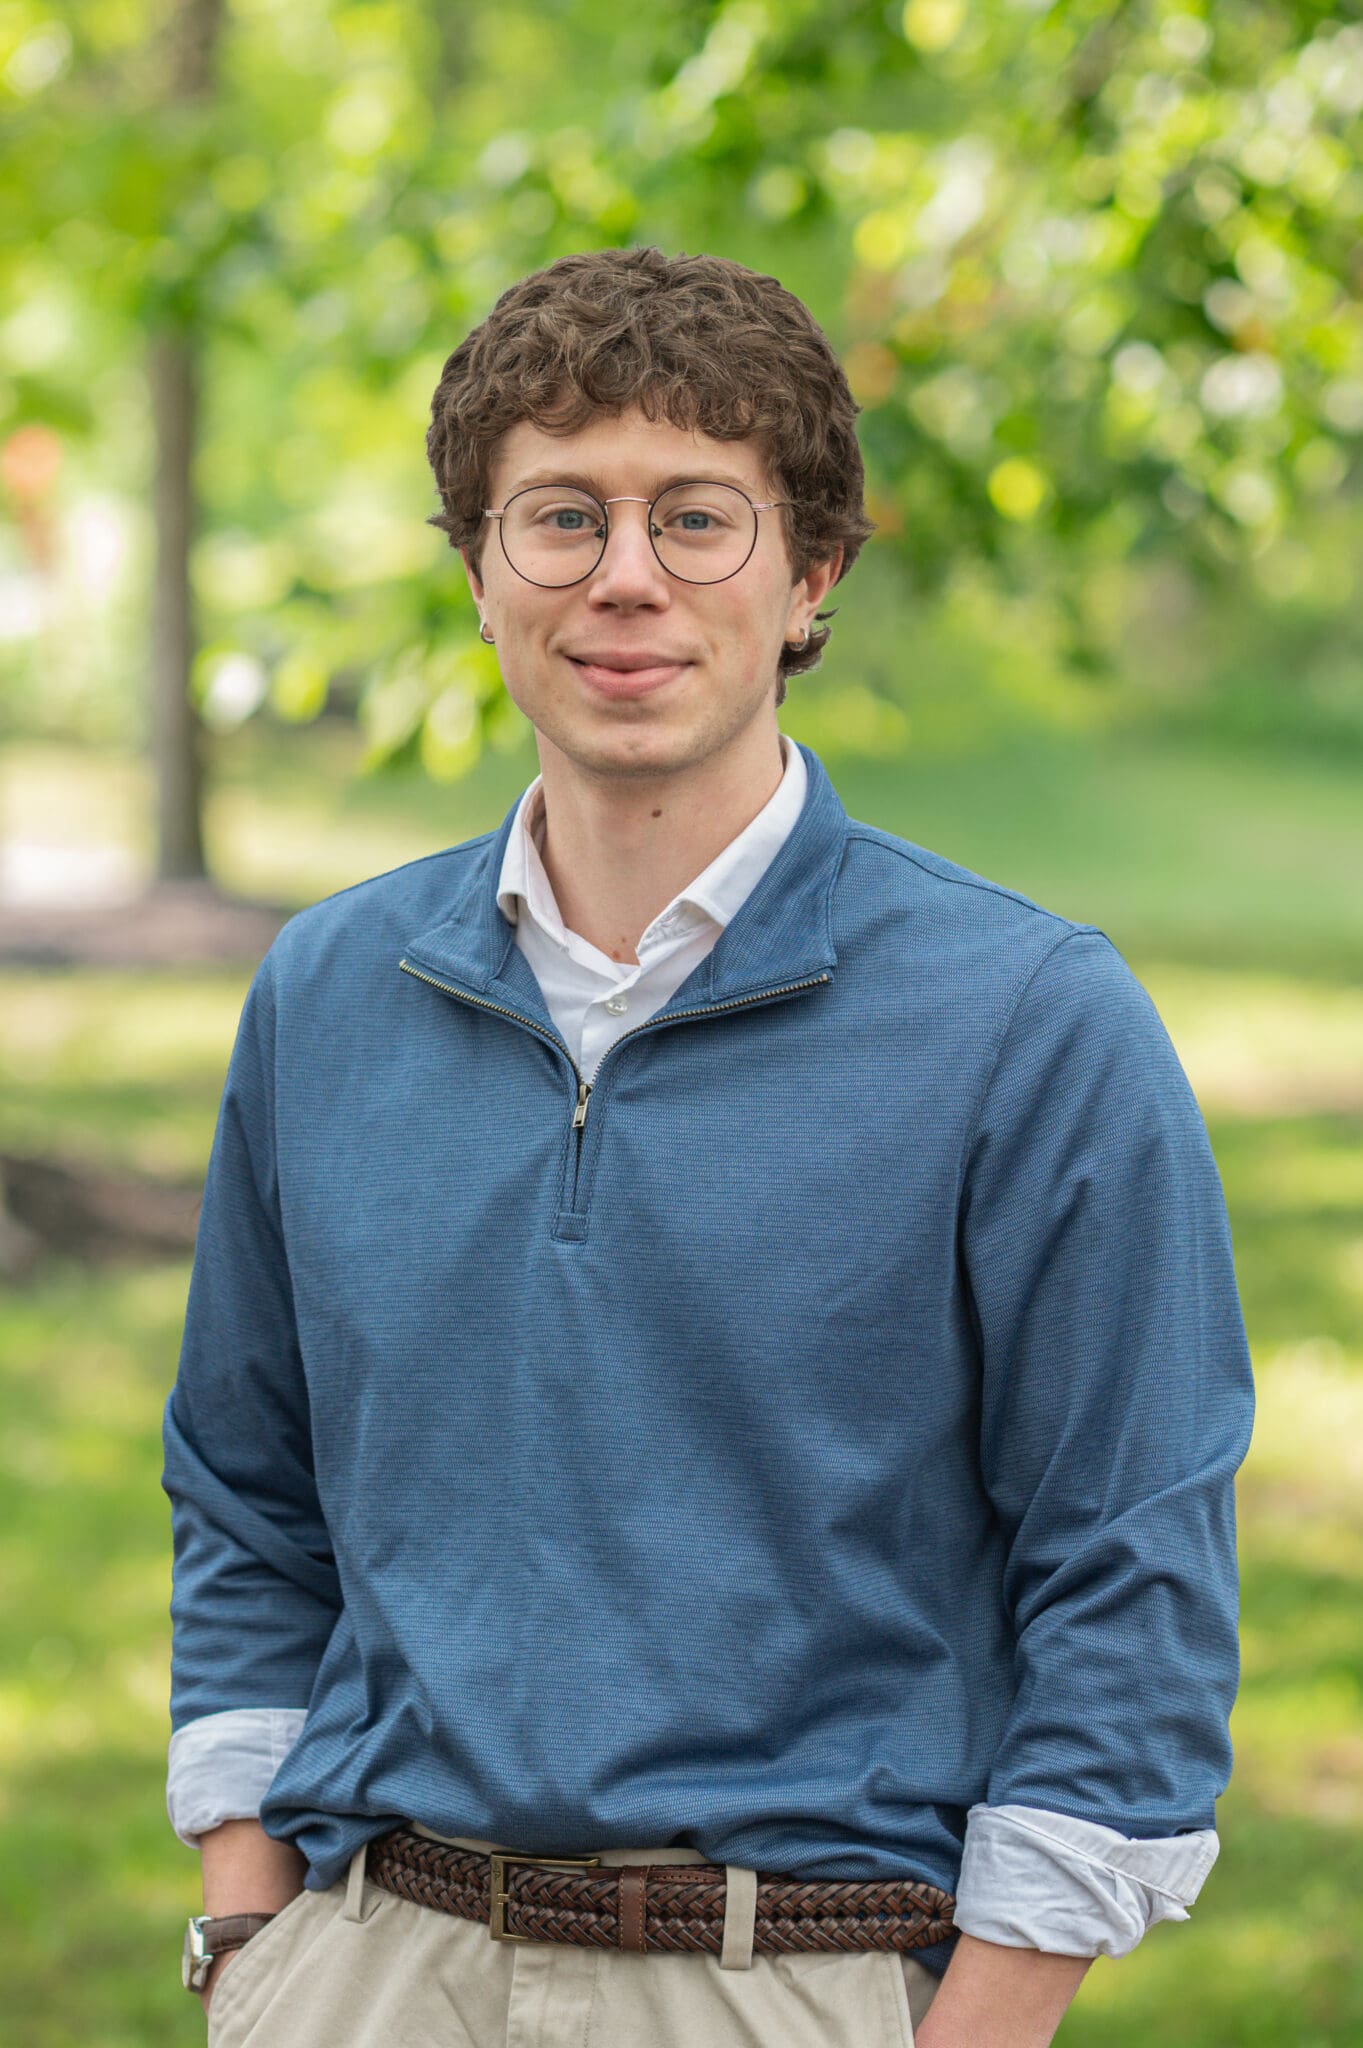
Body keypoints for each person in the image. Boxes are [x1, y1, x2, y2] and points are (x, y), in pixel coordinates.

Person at [161, 246, 1254, 2048]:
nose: (625, 577)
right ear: (478, 572)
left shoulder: (1031, 1021)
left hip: (792, 1978)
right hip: (369, 1968)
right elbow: (246, 1497)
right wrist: (247, 1940)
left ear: (810, 573)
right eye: (560, 516)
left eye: (696, 517)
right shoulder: (328, 992)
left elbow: (1130, 1580)